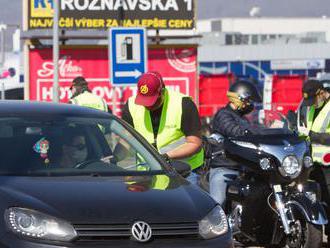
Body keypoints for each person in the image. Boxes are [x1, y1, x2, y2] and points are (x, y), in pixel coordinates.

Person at [121, 71, 204, 184]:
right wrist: (114, 158)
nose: (148, 106)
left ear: (162, 92)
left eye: (153, 102)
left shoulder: (183, 104)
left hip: (185, 171)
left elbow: (195, 143)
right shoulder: (131, 105)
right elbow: (125, 140)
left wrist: (165, 157)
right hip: (148, 173)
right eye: (144, 102)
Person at [209, 80, 262, 206]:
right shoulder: (223, 115)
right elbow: (236, 132)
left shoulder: (241, 118)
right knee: (217, 205)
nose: (250, 105)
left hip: (243, 167)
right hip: (225, 167)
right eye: (249, 101)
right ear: (239, 99)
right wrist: (257, 133)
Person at [301, 79, 330, 244]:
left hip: (328, 166)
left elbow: (314, 134)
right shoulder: (310, 108)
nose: (311, 104)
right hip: (311, 165)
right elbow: (303, 131)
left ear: (321, 93)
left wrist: (315, 136)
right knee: (312, 200)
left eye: (313, 99)